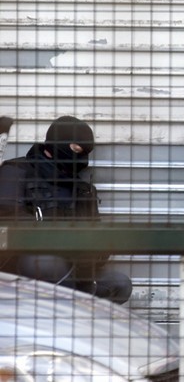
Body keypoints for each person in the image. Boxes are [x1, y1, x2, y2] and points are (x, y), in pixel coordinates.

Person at [0, 116, 133, 305]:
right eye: (75, 149)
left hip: (74, 268)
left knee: (119, 283)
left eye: (85, 152)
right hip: (23, 271)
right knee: (47, 264)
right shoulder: (15, 172)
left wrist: (95, 252)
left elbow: (97, 233)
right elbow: (9, 219)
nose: (80, 158)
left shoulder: (83, 189)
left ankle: (81, 321)